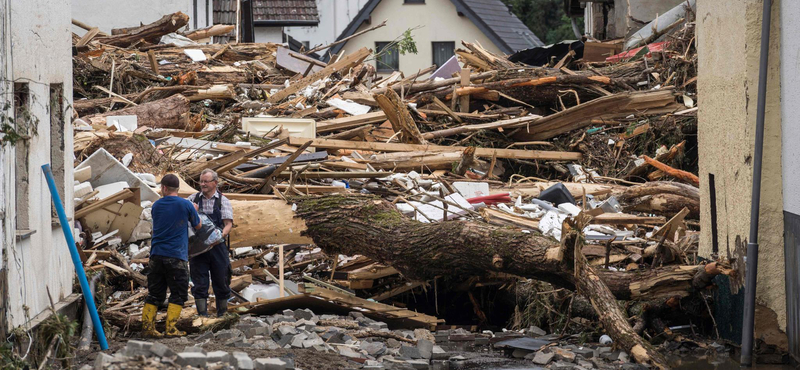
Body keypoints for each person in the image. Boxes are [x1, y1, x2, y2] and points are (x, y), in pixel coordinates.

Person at [142, 174, 201, 338]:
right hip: (176, 256)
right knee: (179, 292)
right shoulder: (186, 205)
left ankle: (148, 328)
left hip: (156, 255)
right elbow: (198, 225)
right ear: (178, 189)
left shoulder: (156, 205)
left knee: (155, 293)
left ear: (164, 188)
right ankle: (171, 328)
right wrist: (194, 211)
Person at [187, 169, 234, 317]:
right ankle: (202, 316)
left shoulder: (223, 201)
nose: (203, 184)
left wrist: (220, 236)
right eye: (201, 181)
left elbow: (228, 224)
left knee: (221, 279)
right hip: (197, 249)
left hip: (217, 247)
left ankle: (223, 315)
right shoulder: (192, 199)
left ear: (215, 183)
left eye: (206, 181)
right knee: (199, 281)